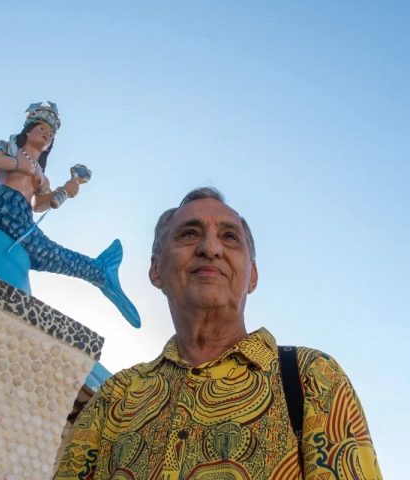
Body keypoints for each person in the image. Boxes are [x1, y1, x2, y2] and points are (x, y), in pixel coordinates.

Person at [54, 187, 381, 479]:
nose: (210, 248)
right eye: (189, 234)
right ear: (156, 270)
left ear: (252, 276)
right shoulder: (114, 398)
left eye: (229, 237)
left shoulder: (313, 378)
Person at [0, 102, 140, 327]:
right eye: (42, 129)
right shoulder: (9, 146)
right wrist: (19, 165)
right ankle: (99, 271)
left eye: (50, 135)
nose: (46, 135)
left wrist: (64, 192)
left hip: (22, 216)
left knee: (45, 251)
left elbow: (39, 205)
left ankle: (98, 271)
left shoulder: (42, 175)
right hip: (2, 205)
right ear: (28, 130)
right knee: (44, 250)